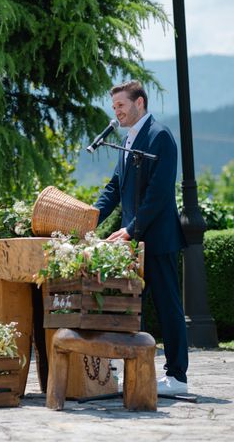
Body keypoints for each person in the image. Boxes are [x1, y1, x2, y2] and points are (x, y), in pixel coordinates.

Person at [94, 80, 189, 395]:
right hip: (132, 241)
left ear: (140, 103)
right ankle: (139, 370)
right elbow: (113, 190)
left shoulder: (159, 136)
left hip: (158, 240)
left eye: (121, 105)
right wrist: (88, 219)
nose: (117, 112)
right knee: (133, 308)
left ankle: (177, 378)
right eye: (115, 107)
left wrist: (131, 229)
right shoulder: (128, 139)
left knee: (168, 307)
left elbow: (158, 194)